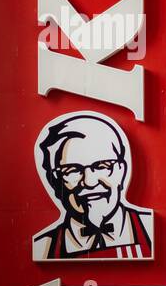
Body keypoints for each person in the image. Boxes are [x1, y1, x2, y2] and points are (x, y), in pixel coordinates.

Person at [32, 112, 153, 261]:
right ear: (54, 180)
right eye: (72, 170)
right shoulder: (43, 248)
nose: (89, 182)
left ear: (121, 170)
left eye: (102, 166)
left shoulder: (150, 230)